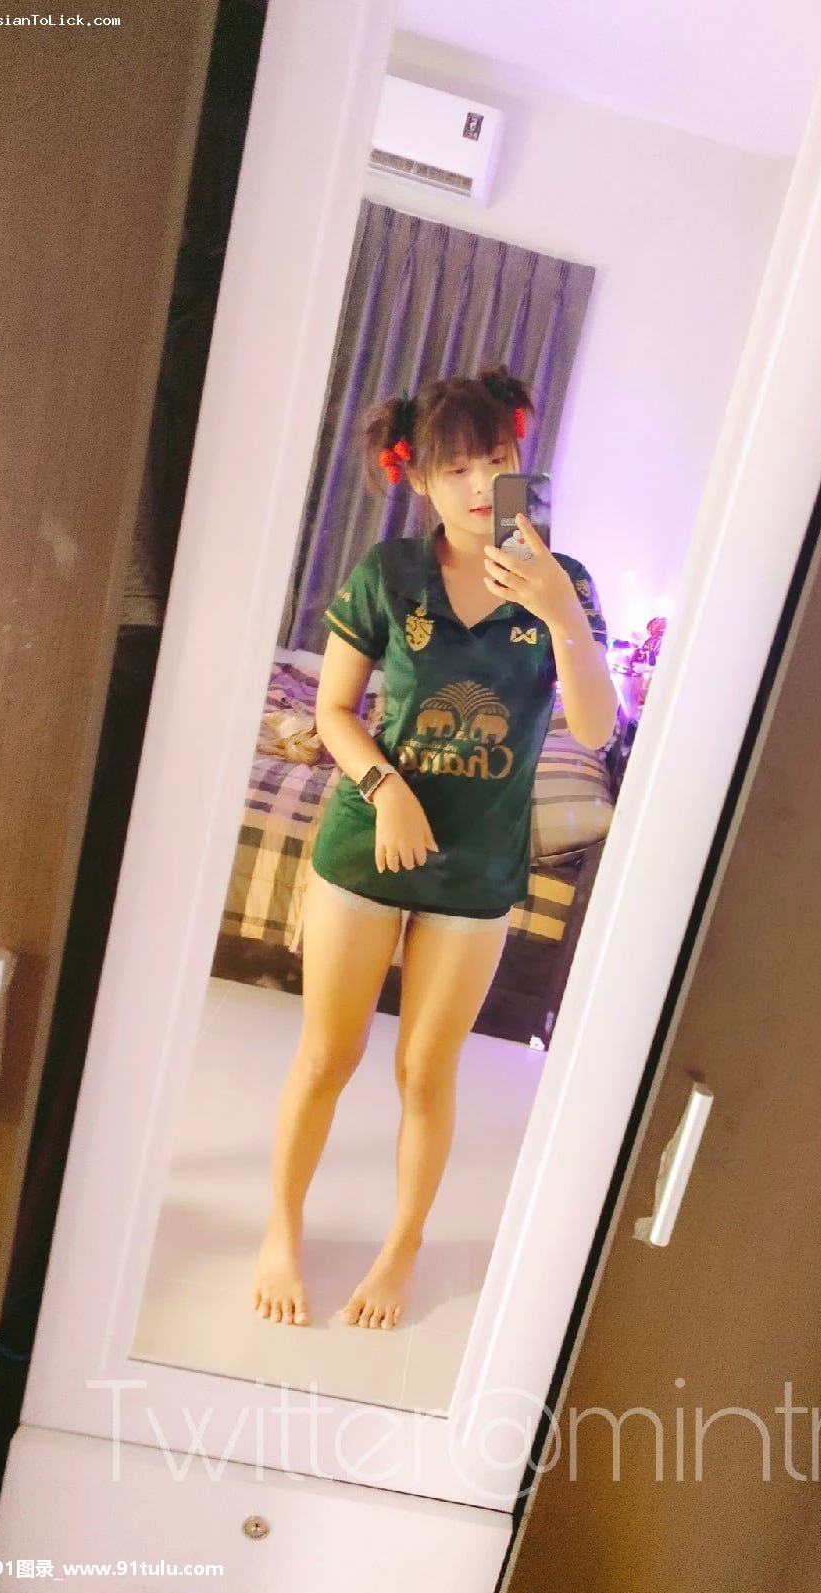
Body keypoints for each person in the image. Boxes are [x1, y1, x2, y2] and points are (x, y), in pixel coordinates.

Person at [251, 366, 617, 1330]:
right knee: (326, 1057)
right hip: (367, 847)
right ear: (418, 478)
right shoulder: (390, 574)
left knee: (426, 1073)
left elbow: (594, 726)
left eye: (495, 460)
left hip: (480, 867)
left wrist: (561, 612)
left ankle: (402, 1248)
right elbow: (334, 711)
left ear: (518, 460)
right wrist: (387, 791)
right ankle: (281, 1230)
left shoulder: (566, 582)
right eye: (455, 468)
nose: (478, 484)